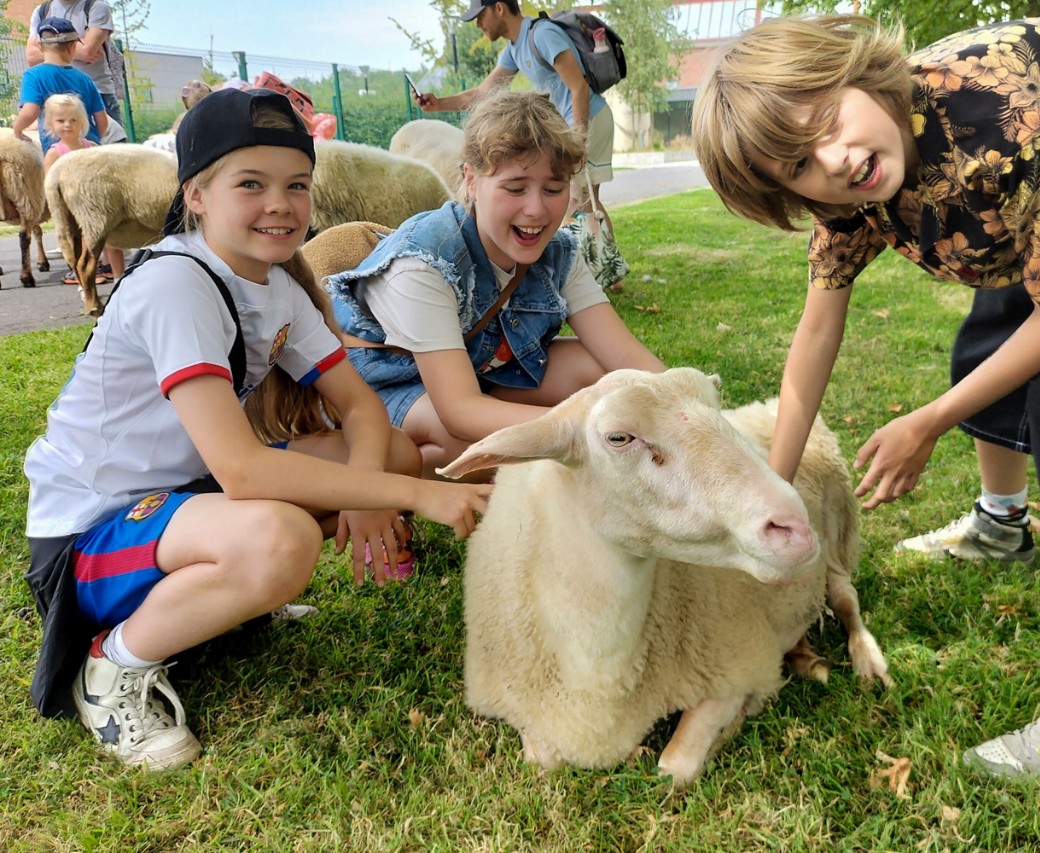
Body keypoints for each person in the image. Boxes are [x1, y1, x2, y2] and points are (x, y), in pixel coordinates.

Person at [693, 15, 1040, 787]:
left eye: (825, 119)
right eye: (798, 164)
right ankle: (1002, 526)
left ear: (855, 71)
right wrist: (772, 493)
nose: (835, 159)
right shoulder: (847, 195)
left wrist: (928, 421)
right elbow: (817, 331)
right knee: (985, 348)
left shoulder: (999, 119)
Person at [23, 87, 493, 771]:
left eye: (296, 184)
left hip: (185, 499)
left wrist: (371, 489)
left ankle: (222, 597)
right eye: (252, 183)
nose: (281, 203)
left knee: (393, 449)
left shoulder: (275, 287)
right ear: (197, 195)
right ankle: (111, 665)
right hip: (91, 536)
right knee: (283, 539)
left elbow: (362, 408)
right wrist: (415, 497)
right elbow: (243, 470)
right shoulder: (175, 285)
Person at [327, 90, 663, 475]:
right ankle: (408, 471)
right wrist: (583, 426)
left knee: (612, 378)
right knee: (489, 450)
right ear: (471, 179)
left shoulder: (560, 252)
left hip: (479, 374)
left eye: (553, 189)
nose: (536, 209)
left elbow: (627, 359)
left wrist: (687, 411)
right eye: (515, 188)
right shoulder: (422, 264)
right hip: (389, 388)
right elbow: (459, 411)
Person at [413, 0, 618, 234]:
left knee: (576, 200)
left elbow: (578, 88)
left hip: (590, 119)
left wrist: (578, 140)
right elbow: (482, 93)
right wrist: (438, 103)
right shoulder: (513, 50)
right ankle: (608, 265)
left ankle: (595, 265)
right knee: (585, 201)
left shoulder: (542, 34)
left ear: (499, 8)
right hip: (573, 125)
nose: (478, 24)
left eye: (481, 16)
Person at [40, 92, 126, 284]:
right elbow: (50, 185)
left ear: (83, 122)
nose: (68, 124)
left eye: (73, 119)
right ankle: (85, 280)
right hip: (73, 207)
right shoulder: (54, 153)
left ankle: (120, 277)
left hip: (96, 204)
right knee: (81, 244)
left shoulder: (92, 147)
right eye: (61, 120)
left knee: (111, 240)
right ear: (51, 124)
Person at [13, 16, 107, 150]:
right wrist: (93, 139)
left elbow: (30, 112)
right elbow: (102, 122)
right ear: (72, 47)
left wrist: (17, 129)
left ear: (39, 46)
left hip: (59, 152)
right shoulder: (85, 79)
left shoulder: (33, 75)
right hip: (89, 148)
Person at [26, 0, 123, 127]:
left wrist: (49, 46)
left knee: (109, 145)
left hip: (97, 94)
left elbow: (88, 51)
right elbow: (31, 57)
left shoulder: (96, 7)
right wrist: (78, 48)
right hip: (55, 99)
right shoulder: (41, 11)